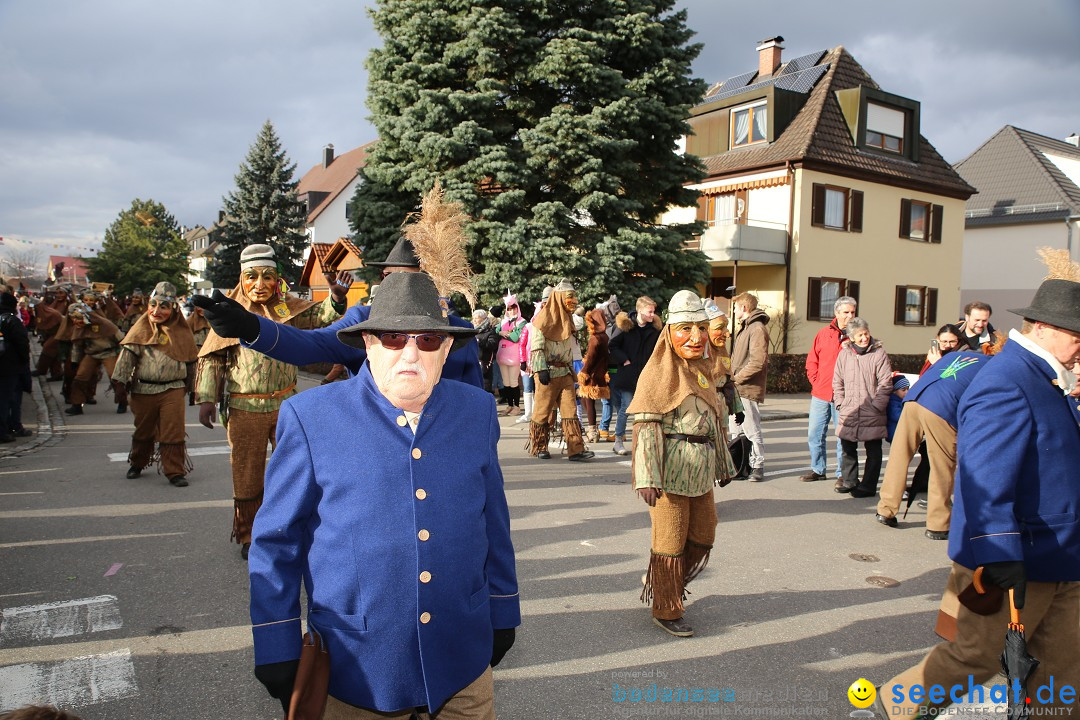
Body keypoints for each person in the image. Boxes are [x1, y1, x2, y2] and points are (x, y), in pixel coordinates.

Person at [248, 270, 519, 718]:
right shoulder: (310, 416)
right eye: (393, 339)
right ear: (368, 344)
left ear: (447, 348)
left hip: (462, 656)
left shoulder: (477, 411)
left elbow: (493, 520)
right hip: (357, 667)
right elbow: (276, 541)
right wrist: (275, 640)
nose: (411, 353)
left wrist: (503, 611)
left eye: (428, 341)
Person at [878, 275, 1080, 717]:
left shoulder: (1046, 376)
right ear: (1042, 327)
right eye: (1077, 335)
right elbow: (984, 475)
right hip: (1019, 556)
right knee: (976, 656)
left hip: (1060, 554)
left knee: (1063, 671)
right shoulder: (1008, 378)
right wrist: (998, 551)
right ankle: (895, 704)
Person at [194, 244, 342, 559]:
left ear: (278, 279)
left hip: (286, 405)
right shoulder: (230, 313)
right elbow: (212, 359)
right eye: (252, 277)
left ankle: (293, 528)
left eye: (267, 276)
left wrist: (338, 298)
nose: (259, 284)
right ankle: (249, 534)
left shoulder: (291, 309)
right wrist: (206, 397)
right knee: (246, 472)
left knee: (295, 471)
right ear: (241, 278)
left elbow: (319, 318)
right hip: (243, 407)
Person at [191, 235, 484, 389]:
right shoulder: (363, 322)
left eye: (411, 278)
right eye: (390, 276)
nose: (397, 285)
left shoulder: (458, 333)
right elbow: (311, 345)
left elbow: (476, 409)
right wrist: (249, 326)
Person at [630, 290, 733, 638]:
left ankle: (663, 582)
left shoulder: (703, 371)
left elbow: (714, 426)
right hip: (669, 476)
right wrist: (647, 477)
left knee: (704, 535)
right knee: (670, 543)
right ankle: (666, 607)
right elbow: (646, 430)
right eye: (685, 328)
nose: (695, 337)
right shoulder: (657, 375)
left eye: (700, 328)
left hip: (700, 474)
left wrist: (724, 466)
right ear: (669, 332)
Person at [874, 349, 990, 536]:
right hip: (942, 407)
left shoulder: (957, 355)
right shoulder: (991, 367)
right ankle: (938, 524)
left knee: (899, 455)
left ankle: (885, 509)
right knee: (942, 466)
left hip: (914, 398)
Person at [111, 282, 198, 487]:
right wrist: (119, 384)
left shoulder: (183, 334)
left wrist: (195, 389)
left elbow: (192, 363)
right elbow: (126, 359)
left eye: (164, 307)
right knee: (144, 430)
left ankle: (174, 471)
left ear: (173, 309)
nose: (156, 311)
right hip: (143, 389)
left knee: (173, 430)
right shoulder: (139, 330)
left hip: (173, 388)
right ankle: (137, 463)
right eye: (153, 305)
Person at [527, 280, 594, 461]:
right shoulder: (542, 320)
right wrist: (541, 369)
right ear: (558, 298)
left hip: (565, 372)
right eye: (569, 297)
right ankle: (540, 446)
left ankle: (576, 449)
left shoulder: (567, 319)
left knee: (570, 411)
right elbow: (537, 347)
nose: (573, 300)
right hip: (547, 372)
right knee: (542, 411)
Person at [831, 317, 892, 496]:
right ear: (851, 337)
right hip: (849, 409)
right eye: (860, 335)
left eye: (866, 333)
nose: (864, 338)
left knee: (873, 449)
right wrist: (840, 402)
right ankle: (849, 480)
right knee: (847, 447)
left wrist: (877, 405)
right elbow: (838, 381)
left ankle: (868, 486)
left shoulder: (879, 353)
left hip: (871, 409)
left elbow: (885, 382)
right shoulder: (844, 354)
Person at [802, 295, 856, 482]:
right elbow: (812, 360)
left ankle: (842, 474)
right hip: (821, 393)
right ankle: (818, 469)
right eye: (845, 312)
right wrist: (815, 381)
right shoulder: (824, 333)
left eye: (852, 312)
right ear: (836, 313)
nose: (849, 316)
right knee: (815, 433)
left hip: (844, 396)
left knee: (842, 436)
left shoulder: (858, 336)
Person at [607, 296, 662, 456]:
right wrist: (624, 360)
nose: (652, 315)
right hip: (628, 375)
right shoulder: (625, 326)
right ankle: (618, 441)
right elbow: (613, 346)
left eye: (653, 311)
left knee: (646, 410)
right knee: (626, 407)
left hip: (647, 375)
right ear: (639, 310)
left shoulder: (655, 329)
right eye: (649, 311)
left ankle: (644, 442)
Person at [728, 292, 769, 482]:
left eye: (736, 307)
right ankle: (741, 465)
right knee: (737, 429)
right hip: (737, 388)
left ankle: (757, 465)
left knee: (751, 428)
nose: (734, 311)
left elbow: (757, 362)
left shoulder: (757, 328)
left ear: (744, 308)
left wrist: (736, 379)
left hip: (747, 388)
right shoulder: (746, 328)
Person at [64, 302, 126, 416]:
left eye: (77, 317)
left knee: (115, 377)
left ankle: (122, 402)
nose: (75, 321)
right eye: (72, 318)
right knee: (80, 377)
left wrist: (124, 357)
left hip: (108, 353)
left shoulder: (105, 324)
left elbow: (121, 340)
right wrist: (75, 360)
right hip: (91, 354)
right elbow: (77, 346)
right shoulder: (79, 328)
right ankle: (77, 405)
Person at [0, 293, 32, 442]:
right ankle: (6, 430)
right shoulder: (12, 320)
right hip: (9, 366)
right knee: (8, 398)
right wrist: (24, 361)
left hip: (8, 364)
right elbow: (22, 344)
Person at [577, 307, 610, 443]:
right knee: (585, 399)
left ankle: (592, 432)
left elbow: (590, 358)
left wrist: (584, 372)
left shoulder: (595, 338)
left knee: (588, 402)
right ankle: (593, 430)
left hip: (591, 374)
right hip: (600, 372)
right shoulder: (605, 336)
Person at [495, 293, 526, 415]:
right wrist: (502, 332)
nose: (511, 310)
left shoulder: (521, 322)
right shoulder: (504, 321)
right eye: (508, 308)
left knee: (513, 382)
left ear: (517, 308)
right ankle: (509, 405)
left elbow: (516, 337)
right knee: (505, 382)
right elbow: (497, 329)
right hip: (502, 355)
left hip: (514, 356)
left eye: (513, 307)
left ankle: (517, 406)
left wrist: (504, 334)